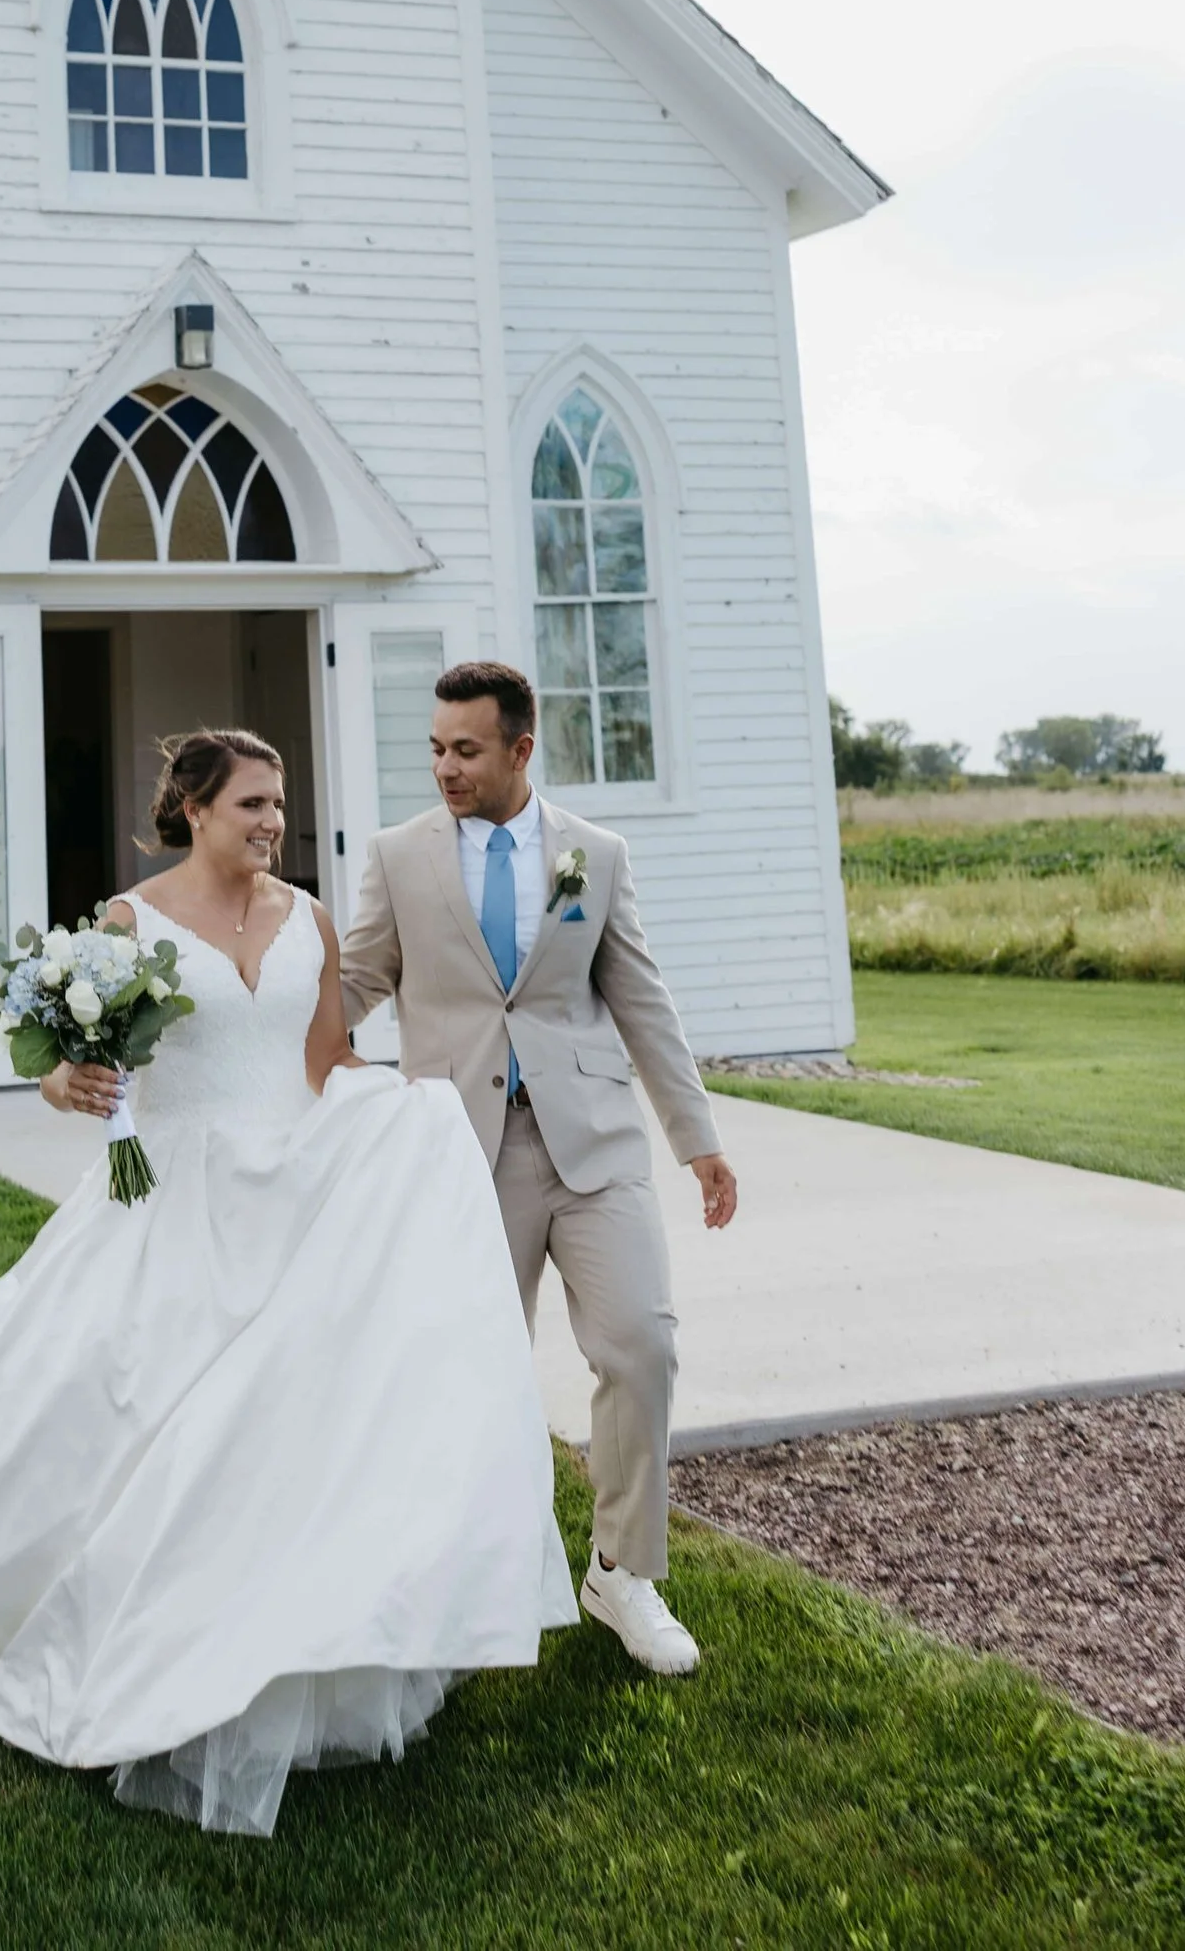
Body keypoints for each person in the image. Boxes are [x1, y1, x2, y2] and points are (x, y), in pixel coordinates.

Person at [0, 727, 572, 1835]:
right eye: (251, 806)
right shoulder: (129, 924)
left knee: (278, 1422)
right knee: (92, 1405)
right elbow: (63, 1070)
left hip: (288, 1193)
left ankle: (275, 1617)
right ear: (192, 810)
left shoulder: (311, 921)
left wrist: (404, 1109)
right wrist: (72, 1086)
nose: (273, 823)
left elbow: (325, 1061)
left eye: (280, 804)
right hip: (169, 1203)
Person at [340, 659, 738, 1678]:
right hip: (463, 1153)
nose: (443, 767)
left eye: (464, 749)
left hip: (592, 1144)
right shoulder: (397, 856)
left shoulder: (593, 856)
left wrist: (696, 1138)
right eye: (433, 747)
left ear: (521, 749)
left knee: (639, 1347)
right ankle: (456, 1580)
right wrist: (261, 1045)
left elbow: (639, 996)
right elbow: (353, 982)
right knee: (468, 1373)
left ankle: (621, 1573)